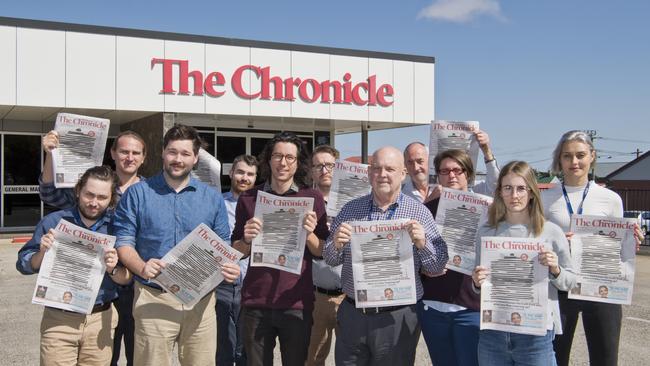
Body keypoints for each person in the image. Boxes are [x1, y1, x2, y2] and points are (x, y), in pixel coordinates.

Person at [113, 124, 240, 366]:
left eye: (185, 154)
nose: (177, 159)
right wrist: (141, 266)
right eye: (172, 152)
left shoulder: (211, 197)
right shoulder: (138, 194)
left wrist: (229, 266)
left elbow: (223, 242)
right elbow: (124, 240)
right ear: (162, 153)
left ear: (195, 158)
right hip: (154, 298)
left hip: (201, 303)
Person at [324, 146, 448, 365]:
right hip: (354, 314)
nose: (382, 174)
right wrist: (335, 244)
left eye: (390, 169)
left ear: (403, 174)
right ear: (369, 172)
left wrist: (422, 242)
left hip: (398, 316)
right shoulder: (350, 210)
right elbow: (331, 259)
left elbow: (437, 265)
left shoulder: (419, 212)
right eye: (377, 168)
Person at [39, 129, 147, 366]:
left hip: (135, 284)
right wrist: (51, 154)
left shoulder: (150, 192)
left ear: (143, 157)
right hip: (96, 288)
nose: (129, 157)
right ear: (112, 153)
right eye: (123, 151)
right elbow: (49, 194)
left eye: (135, 152)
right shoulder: (94, 186)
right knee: (102, 355)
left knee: (138, 354)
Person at [542, 130, 643, 366]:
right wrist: (558, 243)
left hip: (600, 287)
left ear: (592, 156)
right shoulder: (545, 198)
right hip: (560, 286)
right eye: (567, 156)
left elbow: (616, 244)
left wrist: (630, 239)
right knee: (555, 358)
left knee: (605, 358)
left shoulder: (610, 198)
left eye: (580, 155)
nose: (574, 162)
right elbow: (536, 239)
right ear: (560, 159)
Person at [16, 165, 131, 366]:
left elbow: (126, 277)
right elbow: (24, 264)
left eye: (102, 197)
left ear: (111, 198)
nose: (94, 202)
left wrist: (113, 268)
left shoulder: (117, 227)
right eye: (89, 195)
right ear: (78, 191)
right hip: (59, 319)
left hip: (100, 319)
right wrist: (42, 253)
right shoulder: (53, 221)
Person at [231, 131, 329, 366]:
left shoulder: (312, 197)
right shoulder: (249, 198)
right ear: (268, 159)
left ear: (297, 163)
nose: (282, 163)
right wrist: (247, 239)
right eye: (277, 156)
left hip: (296, 302)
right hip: (256, 301)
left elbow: (322, 251)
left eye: (289, 157)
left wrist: (309, 235)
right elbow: (236, 250)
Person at [471, 161, 576, 366]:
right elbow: (479, 286)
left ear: (531, 192)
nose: (514, 195)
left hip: (535, 335)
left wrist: (555, 269)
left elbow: (570, 282)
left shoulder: (551, 231)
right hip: (494, 332)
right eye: (508, 188)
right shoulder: (486, 232)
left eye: (521, 188)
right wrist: (476, 282)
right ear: (500, 192)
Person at [419, 145, 499, 366]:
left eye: (457, 170)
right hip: (433, 304)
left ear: (468, 174)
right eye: (444, 171)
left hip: (470, 305)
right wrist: (422, 266)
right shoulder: (427, 208)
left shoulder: (489, 208)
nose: (451, 175)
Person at [216, 154, 257, 366]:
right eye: (240, 172)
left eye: (250, 174)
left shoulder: (261, 206)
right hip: (221, 283)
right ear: (231, 173)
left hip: (250, 284)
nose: (244, 177)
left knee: (246, 347)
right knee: (222, 345)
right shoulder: (216, 203)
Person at [306, 145, 345, 366]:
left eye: (329, 165)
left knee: (350, 358)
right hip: (315, 295)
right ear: (311, 171)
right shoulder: (304, 202)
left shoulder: (354, 203)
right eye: (318, 166)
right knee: (312, 358)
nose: (324, 170)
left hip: (347, 296)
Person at [402, 130, 496, 203]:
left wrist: (486, 151)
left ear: (429, 160)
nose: (416, 167)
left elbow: (495, 186)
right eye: (410, 162)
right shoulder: (400, 194)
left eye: (420, 161)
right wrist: (429, 202)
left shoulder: (457, 184)